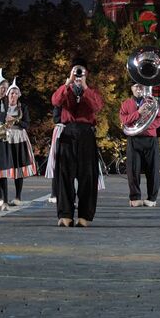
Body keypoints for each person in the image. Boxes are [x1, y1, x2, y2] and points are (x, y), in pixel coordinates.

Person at [52, 61, 104, 227]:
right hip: (68, 132)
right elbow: (55, 101)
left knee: (87, 176)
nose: (78, 76)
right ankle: (65, 214)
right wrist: (67, 83)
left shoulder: (92, 91)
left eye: (81, 73)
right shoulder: (66, 90)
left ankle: (84, 215)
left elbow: (97, 106)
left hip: (86, 134)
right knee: (65, 175)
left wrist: (86, 88)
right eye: (76, 73)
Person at [0, 75, 35, 208]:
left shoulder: (23, 108)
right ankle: (0, 196)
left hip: (19, 138)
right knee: (2, 166)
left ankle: (17, 196)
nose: (13, 95)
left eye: (15, 93)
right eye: (11, 93)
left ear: (18, 95)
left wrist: (15, 121)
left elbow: (26, 124)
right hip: (5, 136)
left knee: (18, 166)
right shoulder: (2, 105)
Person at [119, 81, 160, 207]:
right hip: (134, 138)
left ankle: (152, 198)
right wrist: (138, 113)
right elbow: (123, 120)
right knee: (133, 170)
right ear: (131, 88)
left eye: (141, 86)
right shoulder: (126, 103)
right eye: (136, 86)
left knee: (153, 170)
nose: (139, 88)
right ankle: (135, 197)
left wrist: (146, 127)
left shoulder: (151, 101)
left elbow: (159, 118)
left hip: (150, 138)